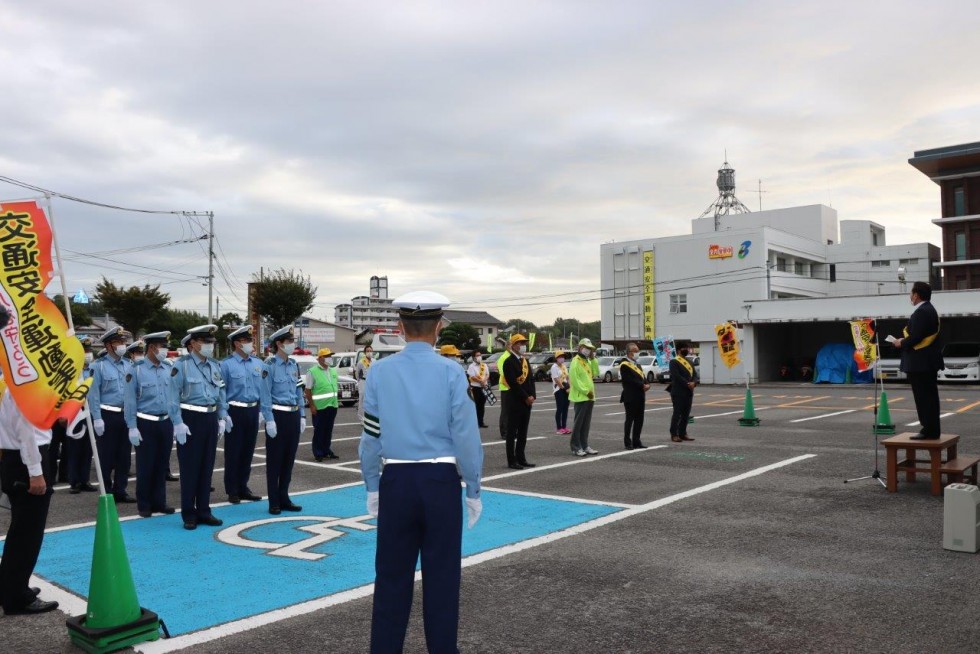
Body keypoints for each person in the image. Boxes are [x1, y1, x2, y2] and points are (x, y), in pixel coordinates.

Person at [359, 290, 484, 654]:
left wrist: (372, 484)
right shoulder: (451, 371)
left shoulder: (379, 372)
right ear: (439, 328)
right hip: (440, 482)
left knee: (391, 579)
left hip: (396, 480)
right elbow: (466, 437)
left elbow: (370, 436)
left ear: (400, 327)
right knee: (443, 578)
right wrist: (473, 488)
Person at [0, 380, 59, 615]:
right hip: (28, 460)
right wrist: (35, 472)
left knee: (20, 531)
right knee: (27, 536)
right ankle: (16, 598)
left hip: (16, 458)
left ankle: (9, 588)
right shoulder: (24, 385)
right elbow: (26, 431)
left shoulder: (12, 382)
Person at [170, 325, 227, 530]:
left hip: (210, 418)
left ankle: (204, 510)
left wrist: (222, 416)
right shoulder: (181, 366)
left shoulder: (214, 365)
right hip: (190, 419)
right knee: (190, 468)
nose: (209, 346)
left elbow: (221, 392)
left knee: (206, 467)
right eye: (205, 342)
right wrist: (178, 423)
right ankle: (189, 513)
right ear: (193, 343)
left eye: (211, 342)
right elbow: (172, 397)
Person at [123, 331, 177, 518]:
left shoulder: (168, 368)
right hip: (145, 422)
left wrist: (177, 422)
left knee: (162, 464)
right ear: (152, 348)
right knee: (146, 465)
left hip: (165, 422)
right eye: (162, 346)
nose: (165, 350)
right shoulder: (136, 369)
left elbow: (174, 397)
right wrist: (132, 426)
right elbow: (130, 401)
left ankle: (159, 502)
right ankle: (144, 504)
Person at [220, 325, 270, 502]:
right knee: (233, 452)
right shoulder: (226, 365)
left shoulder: (258, 363)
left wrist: (263, 411)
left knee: (248, 451)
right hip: (235, 410)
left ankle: (243, 486)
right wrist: (223, 414)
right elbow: (221, 391)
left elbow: (264, 390)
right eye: (246, 340)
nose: (250, 343)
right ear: (237, 343)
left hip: (253, 410)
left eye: (250, 340)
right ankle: (232, 490)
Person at [87, 326, 137, 503]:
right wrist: (97, 418)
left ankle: (120, 490)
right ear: (108, 345)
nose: (123, 345)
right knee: (106, 456)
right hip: (108, 415)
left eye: (124, 342)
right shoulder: (98, 366)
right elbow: (93, 395)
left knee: (124, 456)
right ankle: (106, 491)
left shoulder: (129, 365)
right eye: (118, 342)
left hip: (126, 416)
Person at [264, 326, 305, 515]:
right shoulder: (269, 366)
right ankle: (274, 501)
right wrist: (269, 419)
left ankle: (284, 496)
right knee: (275, 461)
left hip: (293, 415)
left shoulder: (294, 364)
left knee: (289, 459)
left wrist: (302, 414)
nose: (292, 345)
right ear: (279, 344)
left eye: (292, 341)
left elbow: (298, 391)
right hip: (278, 415)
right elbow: (265, 395)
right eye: (289, 342)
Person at [894, 281, 944, 440]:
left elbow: (916, 337)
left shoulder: (922, 312)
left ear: (916, 295)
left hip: (921, 363)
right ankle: (931, 429)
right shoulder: (929, 310)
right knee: (929, 396)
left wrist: (900, 342)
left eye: (911, 293)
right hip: (926, 362)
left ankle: (928, 430)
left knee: (924, 397)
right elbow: (919, 335)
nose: (910, 296)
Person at [66, 336, 98, 493]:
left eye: (90, 350)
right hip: (75, 413)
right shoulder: (71, 369)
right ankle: (74, 481)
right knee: (75, 449)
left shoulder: (93, 369)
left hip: (90, 412)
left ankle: (85, 479)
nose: (88, 354)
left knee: (88, 449)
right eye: (85, 351)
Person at [500, 334, 536, 470]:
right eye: (520, 343)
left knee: (523, 432)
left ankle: (521, 458)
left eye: (524, 343)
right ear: (514, 345)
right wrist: (526, 397)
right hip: (515, 401)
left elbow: (531, 380)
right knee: (512, 432)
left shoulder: (525, 361)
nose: (523, 345)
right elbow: (513, 383)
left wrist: (533, 395)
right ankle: (512, 460)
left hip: (527, 402)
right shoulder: (508, 362)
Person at [304, 347, 339, 461]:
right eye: (327, 356)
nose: (330, 358)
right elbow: (308, 390)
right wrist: (312, 405)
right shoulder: (313, 371)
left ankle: (326, 450)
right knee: (319, 430)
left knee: (328, 430)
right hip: (319, 406)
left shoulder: (333, 371)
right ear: (320, 358)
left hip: (332, 405)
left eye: (330, 356)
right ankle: (318, 452)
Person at [568, 338, 600, 456]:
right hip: (581, 396)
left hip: (589, 397)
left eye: (590, 349)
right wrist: (586, 391)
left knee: (586, 423)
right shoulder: (575, 361)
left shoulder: (587, 361)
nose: (588, 350)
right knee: (579, 423)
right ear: (580, 348)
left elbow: (596, 373)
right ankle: (576, 447)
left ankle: (584, 445)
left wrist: (593, 359)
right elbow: (574, 379)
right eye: (586, 348)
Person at [619, 343, 650, 450]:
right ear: (629, 352)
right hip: (630, 396)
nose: (637, 352)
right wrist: (642, 385)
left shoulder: (638, 365)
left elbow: (643, 377)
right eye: (635, 350)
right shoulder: (624, 365)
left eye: (637, 350)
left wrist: (647, 384)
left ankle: (637, 441)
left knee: (639, 420)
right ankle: (628, 442)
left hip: (640, 396)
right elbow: (629, 380)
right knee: (629, 420)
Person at [668, 346, 698, 443]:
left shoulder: (689, 362)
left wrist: (694, 382)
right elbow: (676, 376)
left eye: (687, 348)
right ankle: (674, 434)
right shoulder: (674, 362)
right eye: (684, 348)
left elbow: (695, 375)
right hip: (678, 391)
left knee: (686, 414)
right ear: (678, 350)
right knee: (677, 414)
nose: (686, 350)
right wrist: (687, 383)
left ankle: (683, 433)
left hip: (689, 392)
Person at [466, 350, 490, 428]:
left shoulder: (484, 365)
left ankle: (481, 422)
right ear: (473, 357)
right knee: (475, 406)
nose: (479, 356)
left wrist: (484, 381)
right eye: (477, 355)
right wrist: (481, 381)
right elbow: (472, 376)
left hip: (484, 387)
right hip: (475, 388)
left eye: (480, 355)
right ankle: (474, 423)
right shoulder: (471, 366)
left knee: (482, 406)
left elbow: (487, 374)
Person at [550, 350, 571, 435]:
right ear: (556, 358)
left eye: (563, 357)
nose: (562, 358)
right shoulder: (554, 367)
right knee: (560, 408)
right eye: (560, 357)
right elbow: (556, 379)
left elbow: (568, 377)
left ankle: (564, 427)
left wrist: (569, 387)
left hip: (566, 388)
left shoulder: (564, 366)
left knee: (566, 408)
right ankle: (559, 428)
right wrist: (563, 388)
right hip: (558, 390)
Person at [355, 345, 374, 421]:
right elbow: (357, 373)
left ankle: (369, 417)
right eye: (368, 351)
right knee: (362, 400)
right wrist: (359, 381)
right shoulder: (361, 362)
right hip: (363, 382)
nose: (369, 352)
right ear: (365, 352)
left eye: (370, 351)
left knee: (371, 400)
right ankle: (361, 418)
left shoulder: (374, 361)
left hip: (371, 382)